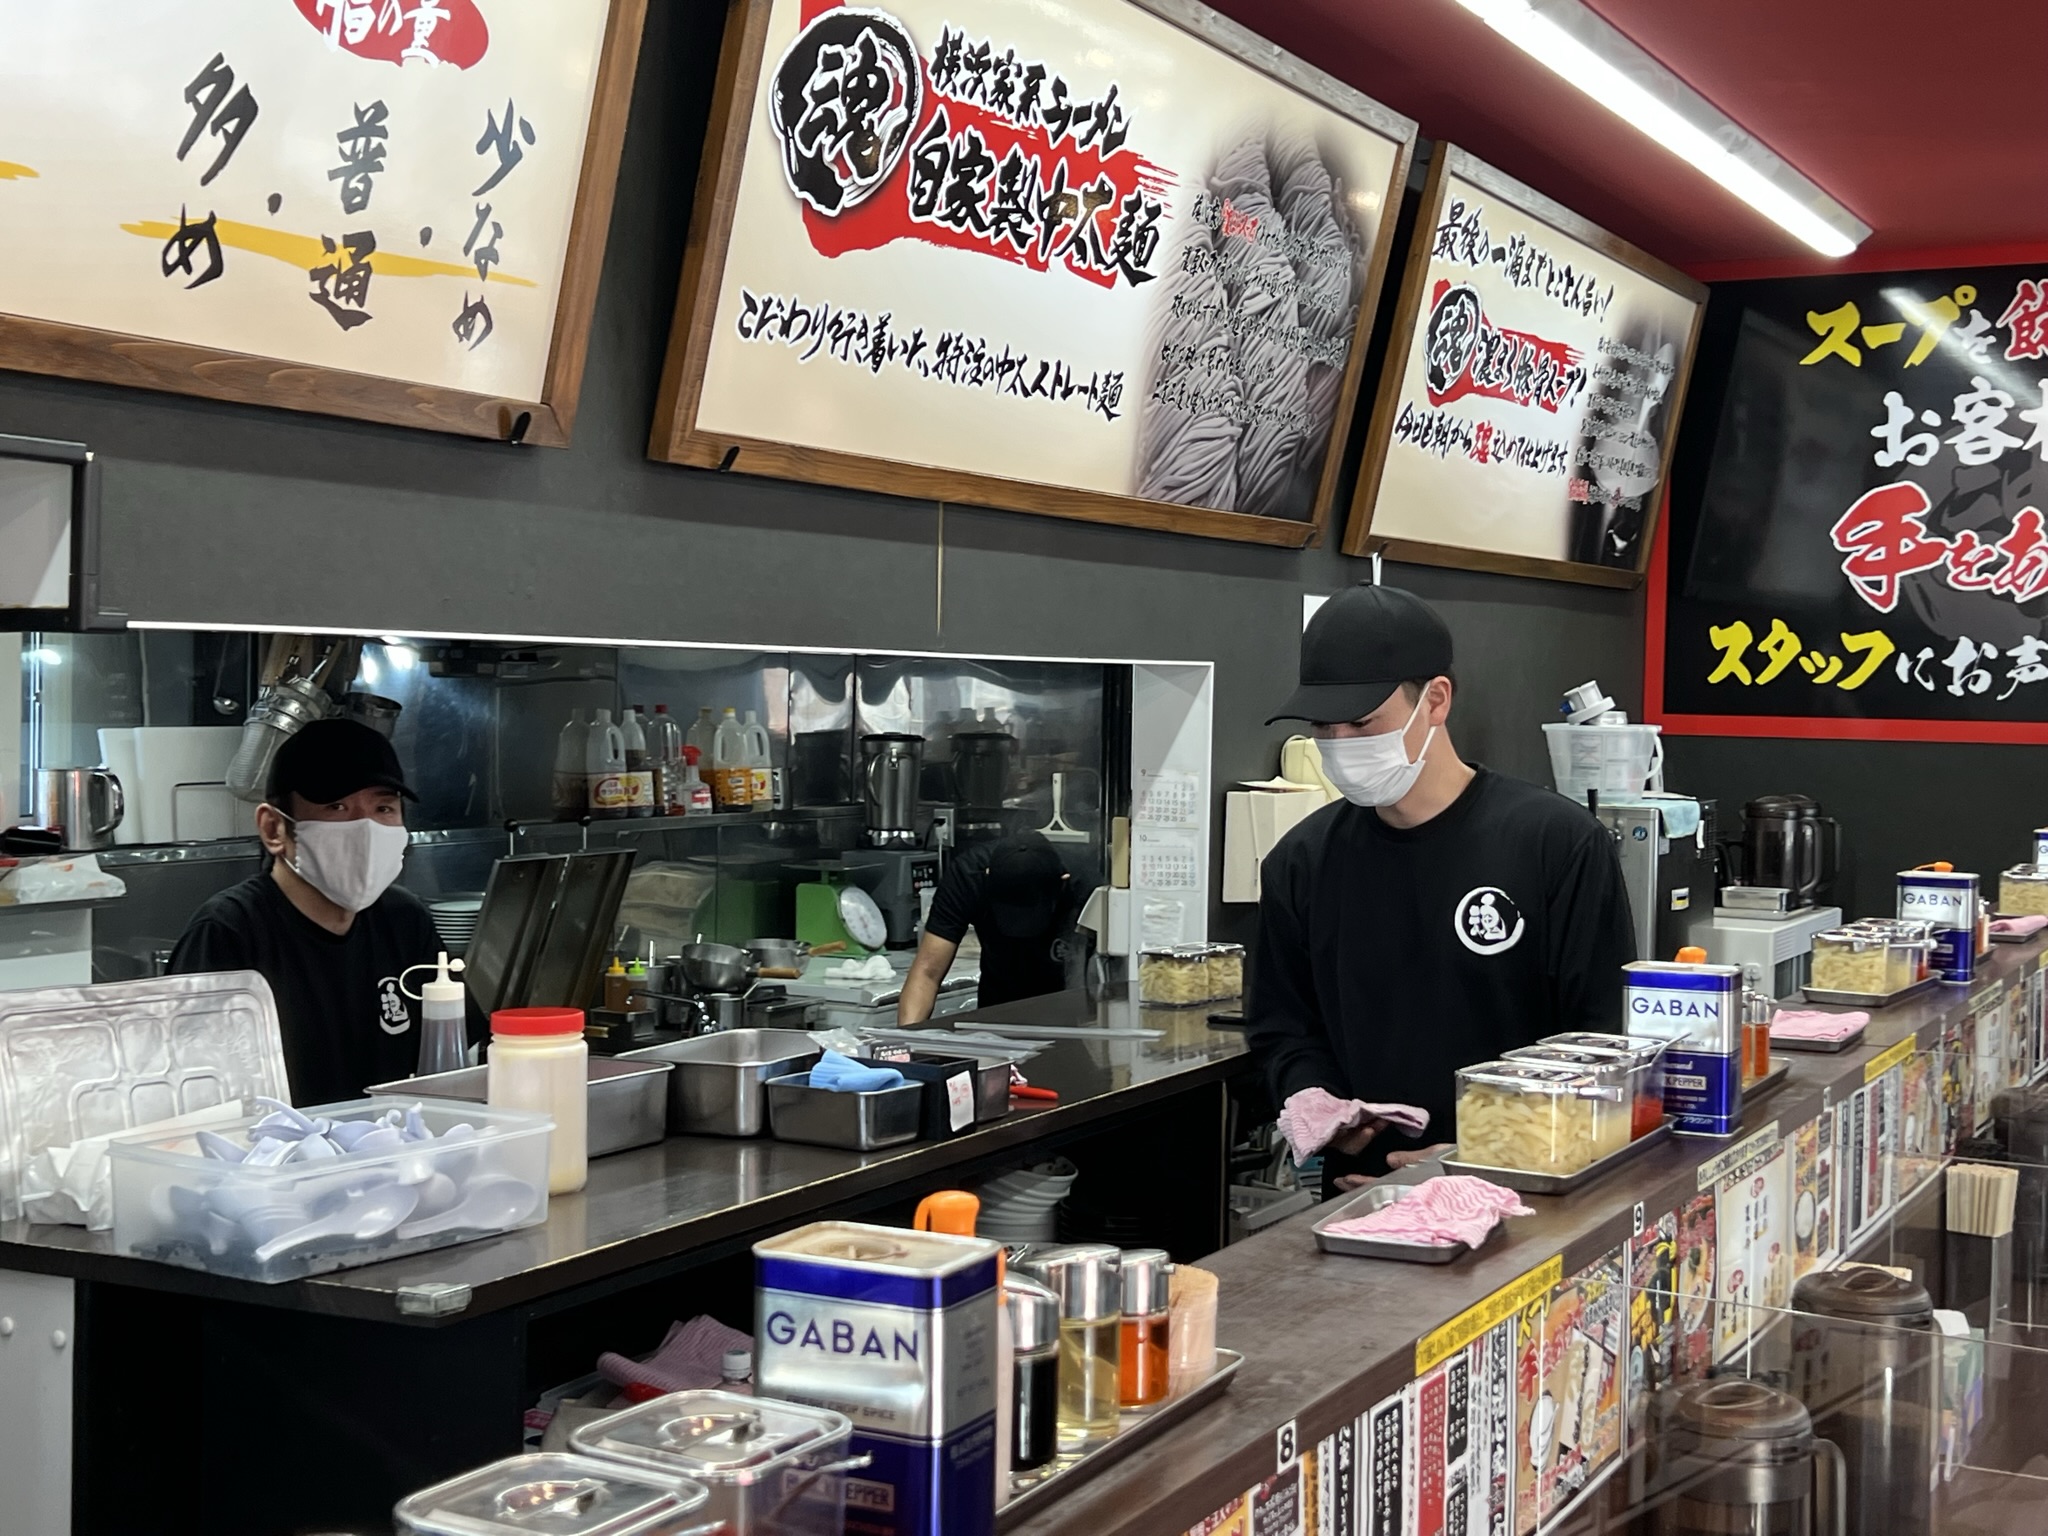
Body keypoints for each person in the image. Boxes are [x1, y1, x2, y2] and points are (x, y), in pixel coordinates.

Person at [1248, 583, 1636, 1190]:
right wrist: (1321, 1109)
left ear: (1436, 700)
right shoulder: (1301, 863)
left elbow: (1599, 1042)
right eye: (1325, 727)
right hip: (1362, 1202)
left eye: (1363, 723)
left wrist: (1484, 1151)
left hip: (1525, 1190)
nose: (1341, 747)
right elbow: (1284, 1031)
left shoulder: (1555, 843)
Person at [170, 717, 441, 1105]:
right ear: (274, 829)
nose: (365, 828)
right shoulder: (229, 933)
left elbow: (455, 1057)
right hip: (277, 1159)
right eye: (337, 806)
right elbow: (193, 1098)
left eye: (383, 808)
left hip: (397, 1152)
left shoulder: (405, 920)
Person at [899, 831, 1079, 1023]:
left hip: (1069, 1008)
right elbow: (927, 973)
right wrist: (906, 1042)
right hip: (996, 1011)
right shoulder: (968, 876)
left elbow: (1102, 979)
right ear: (988, 877)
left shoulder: (1083, 885)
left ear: (1062, 882)